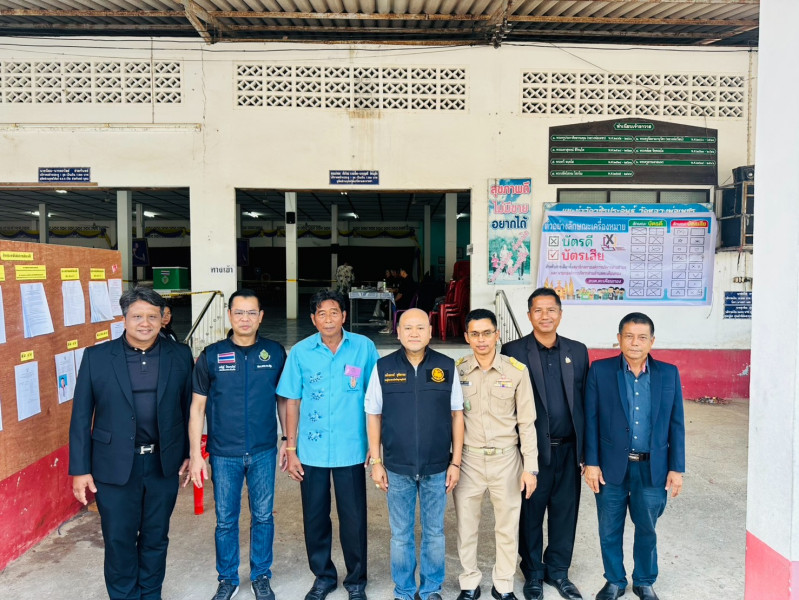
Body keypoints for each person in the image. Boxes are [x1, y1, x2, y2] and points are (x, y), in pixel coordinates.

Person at [69, 286, 194, 600]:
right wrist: (80, 470)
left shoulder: (180, 355)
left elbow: (188, 409)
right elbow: (81, 416)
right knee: (118, 539)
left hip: (162, 463)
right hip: (113, 465)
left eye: (152, 316)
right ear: (124, 319)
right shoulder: (97, 357)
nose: (145, 323)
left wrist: (190, 453)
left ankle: (151, 594)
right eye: (137, 316)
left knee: (156, 537)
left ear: (163, 319)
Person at [277, 289, 380, 600]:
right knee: (315, 517)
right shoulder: (300, 352)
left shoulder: (363, 348)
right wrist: (291, 449)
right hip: (312, 451)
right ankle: (323, 577)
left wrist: (375, 447)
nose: (328, 319)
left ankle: (356, 581)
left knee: (354, 518)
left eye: (334, 312)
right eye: (321, 313)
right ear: (313, 319)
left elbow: (375, 399)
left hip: (352, 448)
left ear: (344, 316)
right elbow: (292, 401)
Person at [186, 289, 287, 600]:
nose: (245, 319)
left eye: (251, 312)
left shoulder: (274, 353)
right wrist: (195, 454)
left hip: (263, 450)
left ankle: (261, 576)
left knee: (263, 517)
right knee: (226, 521)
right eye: (239, 312)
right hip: (223, 453)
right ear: (229, 315)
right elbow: (197, 408)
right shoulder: (211, 355)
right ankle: (227, 578)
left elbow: (284, 400)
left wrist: (287, 440)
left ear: (261, 317)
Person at [365, 308, 465, 600]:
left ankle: (432, 588)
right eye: (407, 328)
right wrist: (377, 461)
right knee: (400, 535)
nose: (414, 333)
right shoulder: (383, 367)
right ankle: (404, 591)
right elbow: (373, 415)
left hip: (437, 467)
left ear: (430, 332)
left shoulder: (446, 366)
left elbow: (457, 415)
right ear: (398, 333)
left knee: (434, 533)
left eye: (420, 327)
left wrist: (455, 462)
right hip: (397, 468)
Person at [584, 313, 685, 600]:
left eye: (642, 337)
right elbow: (591, 419)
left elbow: (676, 423)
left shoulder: (668, 373)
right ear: (619, 339)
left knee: (647, 529)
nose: (635, 343)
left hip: (653, 468)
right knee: (609, 529)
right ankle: (614, 581)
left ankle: (644, 580)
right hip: (610, 467)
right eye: (628, 336)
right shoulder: (600, 371)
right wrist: (591, 463)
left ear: (652, 341)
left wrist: (676, 468)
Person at [501, 288, 589, 600]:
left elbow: (586, 403)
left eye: (551, 310)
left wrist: (587, 453)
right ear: (529, 315)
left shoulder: (578, 351)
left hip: (569, 449)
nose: (545, 316)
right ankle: (534, 573)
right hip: (532, 452)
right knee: (531, 513)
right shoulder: (513, 351)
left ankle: (559, 572)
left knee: (565, 512)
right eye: (538, 310)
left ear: (560, 314)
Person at [454, 308, 538, 600]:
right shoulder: (457, 371)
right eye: (475, 334)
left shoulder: (516, 371)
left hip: (506, 460)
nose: (481, 340)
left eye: (487, 333)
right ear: (467, 337)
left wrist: (530, 467)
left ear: (497, 335)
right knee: (466, 526)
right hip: (469, 459)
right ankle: (469, 581)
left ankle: (503, 584)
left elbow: (527, 422)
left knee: (507, 527)